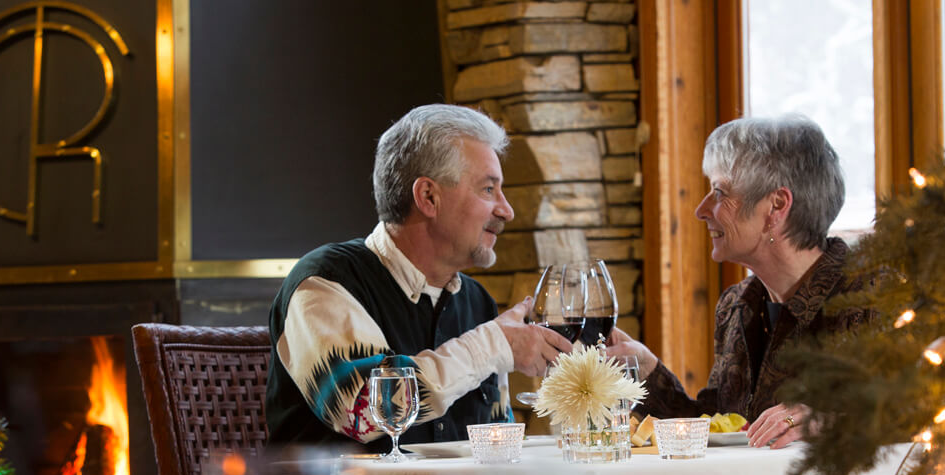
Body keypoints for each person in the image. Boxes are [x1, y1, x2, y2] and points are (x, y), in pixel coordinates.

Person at [265, 104, 570, 450]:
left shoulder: (477, 302)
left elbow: (497, 448)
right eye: (488, 189)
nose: (506, 210)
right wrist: (494, 345)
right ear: (428, 197)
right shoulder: (326, 284)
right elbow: (367, 411)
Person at [608, 114, 866, 449]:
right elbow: (717, 426)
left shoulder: (870, 295)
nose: (702, 209)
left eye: (719, 192)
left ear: (776, 205)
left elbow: (918, 415)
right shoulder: (736, 305)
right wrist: (646, 370)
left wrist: (823, 419)